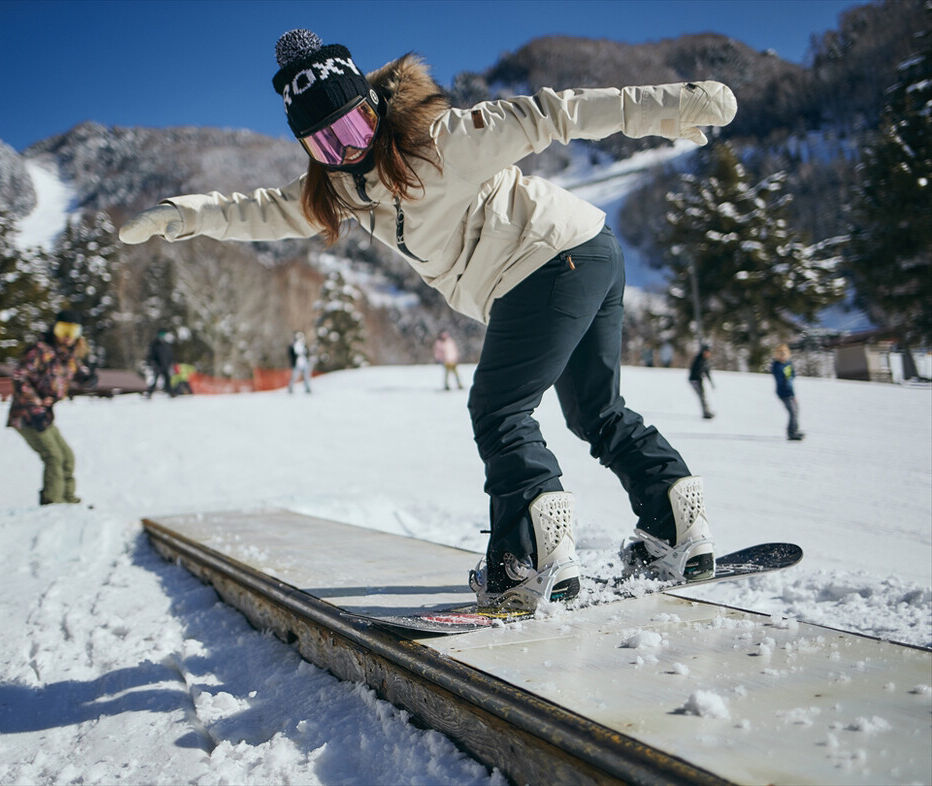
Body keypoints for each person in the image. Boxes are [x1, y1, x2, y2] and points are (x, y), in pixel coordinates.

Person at [120, 29, 737, 610]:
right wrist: (184, 215)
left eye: (356, 125)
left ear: (374, 105)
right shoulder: (340, 191)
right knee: (595, 411)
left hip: (549, 259)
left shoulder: (444, 137)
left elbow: (557, 112)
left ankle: (525, 561)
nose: (350, 148)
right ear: (311, 150)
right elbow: (258, 211)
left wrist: (671, 110)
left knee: (499, 410)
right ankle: (675, 522)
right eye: (327, 144)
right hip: (587, 253)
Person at [7, 310, 97, 505]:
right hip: (26, 415)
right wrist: (35, 408)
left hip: (45, 415)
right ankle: (53, 503)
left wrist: (88, 378)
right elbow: (19, 377)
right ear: (54, 329)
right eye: (63, 329)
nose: (67, 336)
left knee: (67, 456)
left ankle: (68, 500)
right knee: (54, 457)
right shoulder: (40, 351)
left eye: (72, 331)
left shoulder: (68, 356)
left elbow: (78, 372)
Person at [771, 344, 804, 441]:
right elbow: (781, 378)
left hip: (790, 391)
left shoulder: (788, 364)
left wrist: (792, 391)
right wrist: (786, 381)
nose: (782, 356)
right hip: (783, 392)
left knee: (795, 410)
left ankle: (795, 430)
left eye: (784, 354)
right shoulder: (777, 365)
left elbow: (792, 375)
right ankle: (791, 433)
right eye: (780, 354)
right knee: (792, 412)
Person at [146, 328, 175, 398]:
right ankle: (149, 392)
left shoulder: (166, 345)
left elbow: (170, 355)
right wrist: (152, 363)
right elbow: (150, 355)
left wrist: (171, 363)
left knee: (167, 379)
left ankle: (170, 392)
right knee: (155, 379)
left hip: (165, 365)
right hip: (157, 365)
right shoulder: (154, 344)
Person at [689, 345, 715, 419]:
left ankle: (706, 412)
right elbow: (696, 371)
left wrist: (711, 382)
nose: (708, 354)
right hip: (695, 380)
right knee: (702, 397)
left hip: (697, 380)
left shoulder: (703, 360)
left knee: (703, 396)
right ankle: (706, 413)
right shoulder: (699, 360)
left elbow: (706, 372)